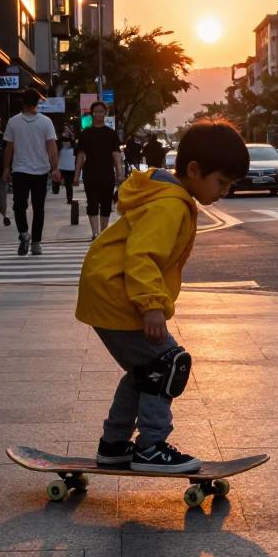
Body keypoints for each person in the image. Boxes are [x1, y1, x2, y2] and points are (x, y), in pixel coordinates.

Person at [76, 120, 249, 471]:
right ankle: (151, 447)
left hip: (109, 289)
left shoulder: (172, 199)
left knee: (146, 370)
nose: (224, 192)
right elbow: (142, 256)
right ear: (194, 170)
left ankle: (114, 445)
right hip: (117, 292)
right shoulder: (170, 205)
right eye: (222, 182)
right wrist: (152, 306)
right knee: (169, 362)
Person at [3, 88, 59, 256]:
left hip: (23, 170)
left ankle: (25, 235)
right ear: (37, 102)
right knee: (38, 207)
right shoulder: (44, 122)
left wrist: (6, 168)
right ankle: (34, 242)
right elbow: (52, 147)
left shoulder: (13, 121)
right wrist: (55, 168)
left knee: (19, 205)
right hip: (37, 171)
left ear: (23, 102)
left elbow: (8, 148)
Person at [74, 102, 124, 240]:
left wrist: (119, 173)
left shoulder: (111, 134)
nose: (99, 114)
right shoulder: (85, 134)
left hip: (107, 173)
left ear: (105, 114)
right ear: (92, 114)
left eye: (101, 111)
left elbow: (116, 155)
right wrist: (76, 176)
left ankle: (103, 232)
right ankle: (95, 233)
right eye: (96, 111)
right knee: (92, 202)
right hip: (90, 172)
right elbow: (80, 156)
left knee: (106, 203)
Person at [53, 125, 76, 203]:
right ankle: (57, 189)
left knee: (68, 183)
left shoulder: (73, 144)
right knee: (65, 182)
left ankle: (69, 198)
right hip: (63, 166)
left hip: (70, 167)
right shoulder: (60, 143)